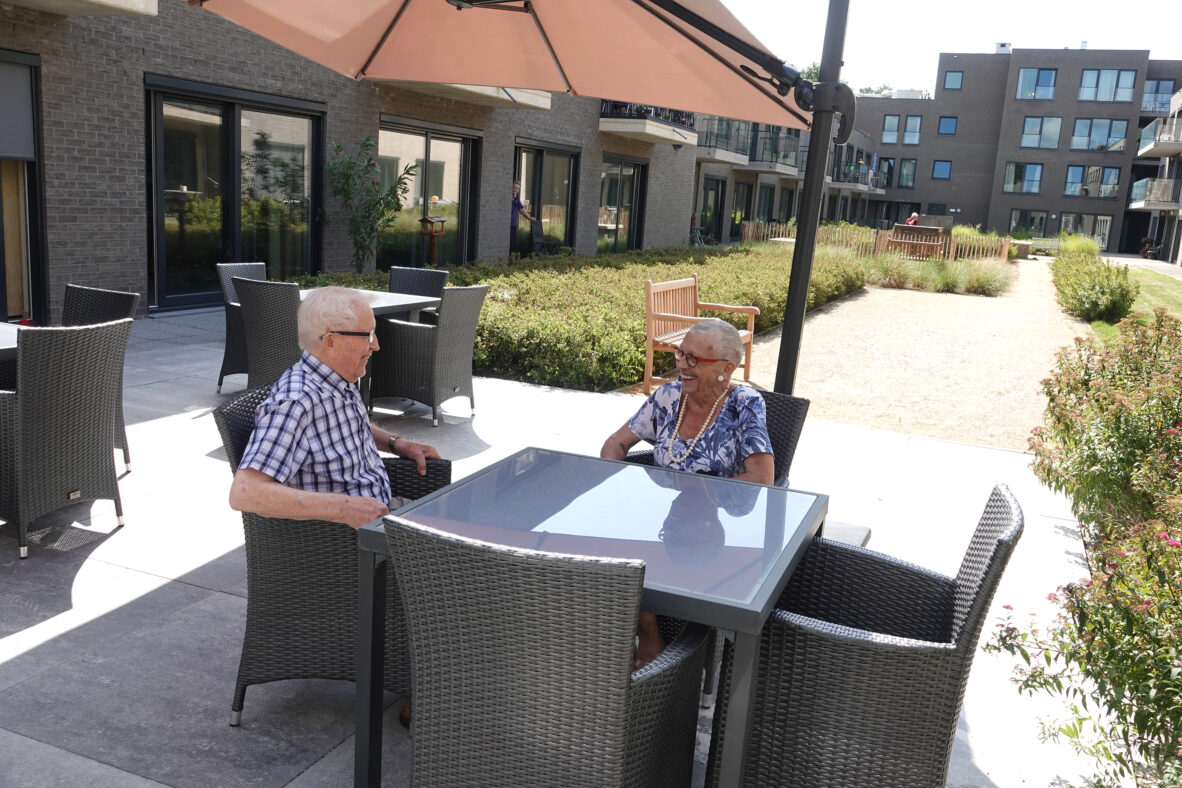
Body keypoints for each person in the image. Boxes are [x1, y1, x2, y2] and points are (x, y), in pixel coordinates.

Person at [601, 318, 773, 663]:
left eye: (694, 358)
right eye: (681, 353)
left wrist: (702, 495)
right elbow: (616, 443)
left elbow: (762, 477)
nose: (681, 364)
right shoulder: (667, 397)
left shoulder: (744, 403)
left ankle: (662, 637)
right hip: (657, 505)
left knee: (635, 561)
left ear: (726, 368)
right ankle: (643, 628)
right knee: (611, 546)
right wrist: (615, 484)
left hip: (717, 507)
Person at [229, 286, 441, 529]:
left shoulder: (335, 377)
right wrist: (343, 509)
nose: (376, 345)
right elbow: (245, 492)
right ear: (331, 341)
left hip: (386, 507)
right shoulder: (296, 402)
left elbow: (342, 427)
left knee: (462, 522)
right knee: (466, 538)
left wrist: (395, 443)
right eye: (368, 335)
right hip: (356, 536)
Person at [509, 179, 535, 260]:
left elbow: (521, 208)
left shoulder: (516, 198)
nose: (515, 190)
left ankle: (511, 263)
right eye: (514, 187)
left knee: (514, 246)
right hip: (506, 225)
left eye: (517, 188)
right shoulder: (508, 197)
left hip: (513, 225)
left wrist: (529, 217)